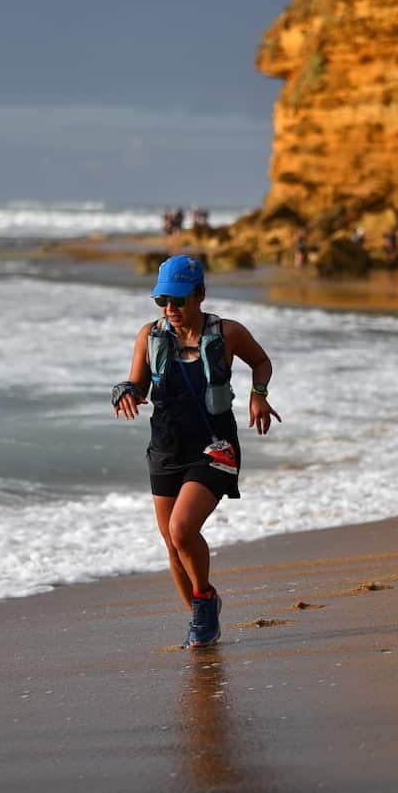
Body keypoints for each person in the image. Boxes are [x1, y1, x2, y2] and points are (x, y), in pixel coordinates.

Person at [112, 255, 281, 649]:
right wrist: (124, 391)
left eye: (178, 300)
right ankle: (202, 617)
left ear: (200, 295)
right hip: (166, 447)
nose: (170, 310)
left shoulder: (228, 333)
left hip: (215, 449)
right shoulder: (149, 337)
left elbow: (261, 361)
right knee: (172, 546)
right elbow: (138, 385)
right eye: (162, 302)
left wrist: (258, 395)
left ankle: (204, 600)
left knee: (182, 530)